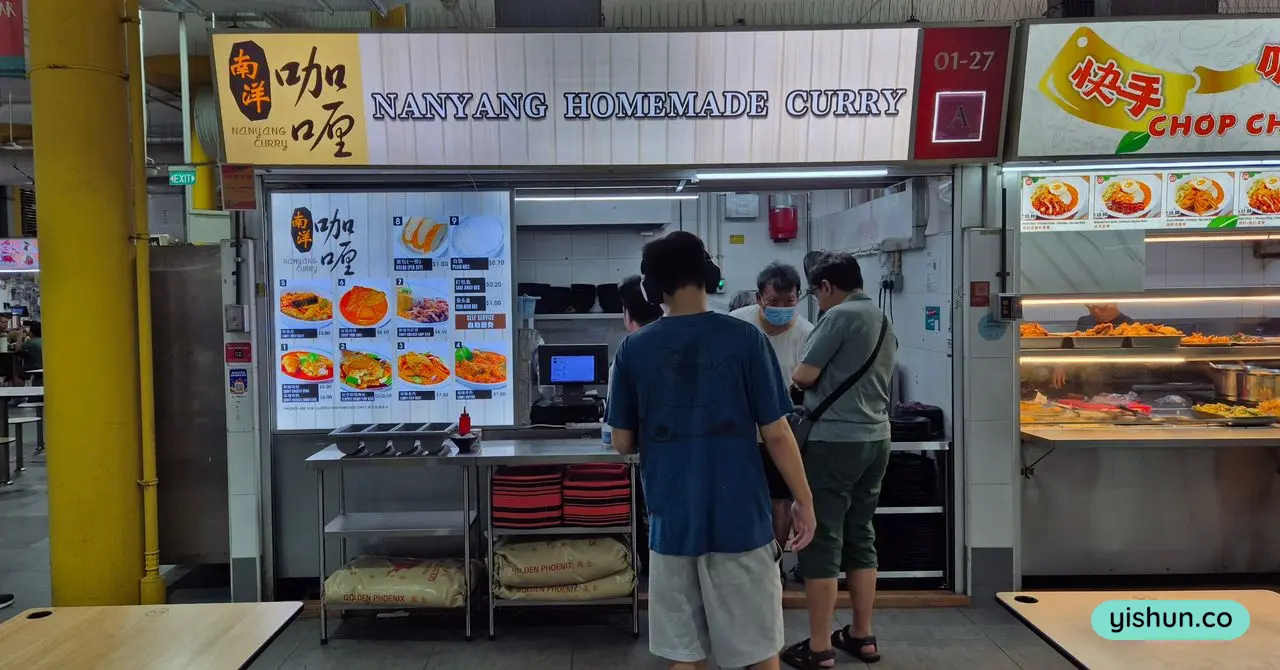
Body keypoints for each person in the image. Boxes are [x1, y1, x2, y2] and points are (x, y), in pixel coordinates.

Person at [606, 231, 816, 670]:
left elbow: (623, 442)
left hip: (672, 524)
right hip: (741, 524)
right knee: (759, 652)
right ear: (708, 275)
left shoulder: (633, 349)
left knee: (686, 654)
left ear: (652, 286)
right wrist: (803, 499)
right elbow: (777, 431)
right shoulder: (746, 340)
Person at [785, 252, 896, 669]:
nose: (818, 300)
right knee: (861, 534)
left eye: (816, 292)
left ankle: (819, 647)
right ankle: (862, 635)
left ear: (827, 287)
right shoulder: (882, 318)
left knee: (821, 536)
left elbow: (803, 376)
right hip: (877, 438)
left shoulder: (838, 318)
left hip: (835, 441)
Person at [731, 262, 814, 562]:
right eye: (773, 302)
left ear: (799, 297)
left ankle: (774, 562)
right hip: (738, 430)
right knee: (742, 496)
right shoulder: (737, 325)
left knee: (781, 498)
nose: (781, 307)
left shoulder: (808, 335)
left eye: (788, 301)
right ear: (759, 299)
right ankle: (743, 558)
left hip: (783, 431)